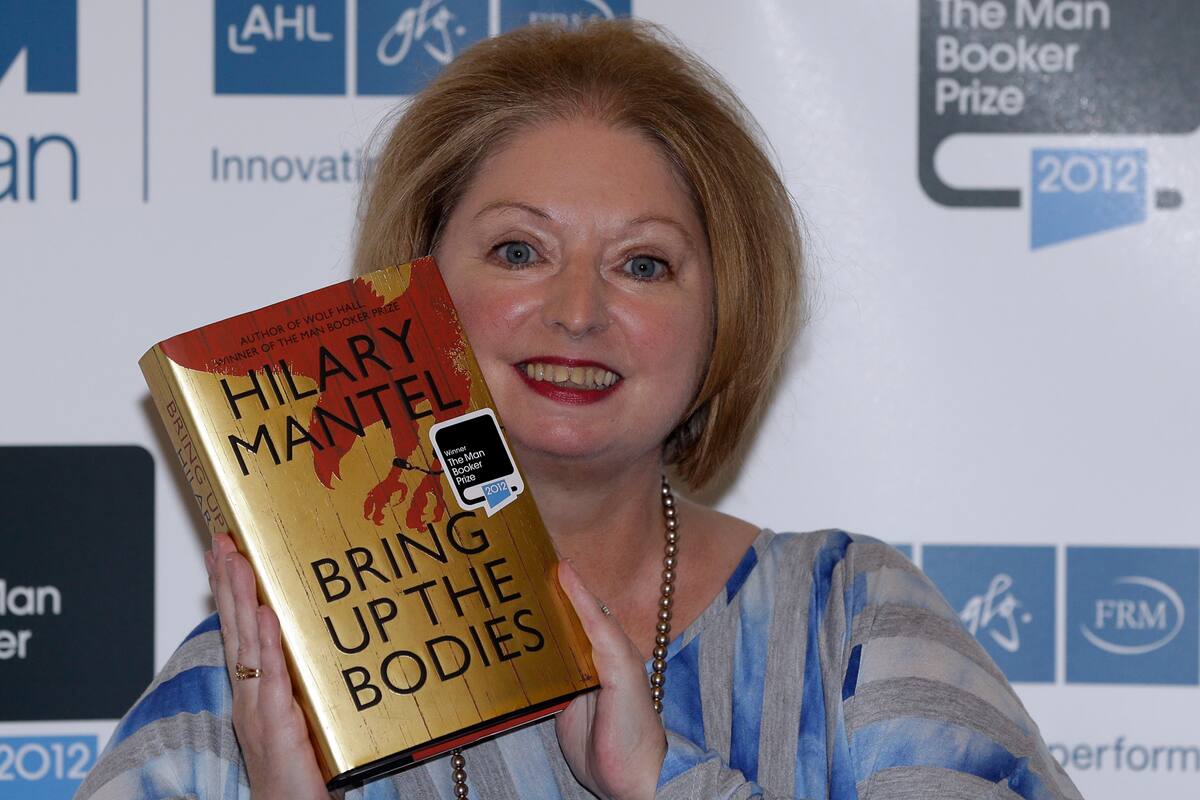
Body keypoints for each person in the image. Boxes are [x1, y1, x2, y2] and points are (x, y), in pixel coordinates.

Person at [79, 19, 1082, 800]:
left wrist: (663, 777)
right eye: (520, 250)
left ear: (723, 314)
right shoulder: (266, 675)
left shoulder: (850, 620)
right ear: (416, 288)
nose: (576, 310)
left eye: (642, 263)